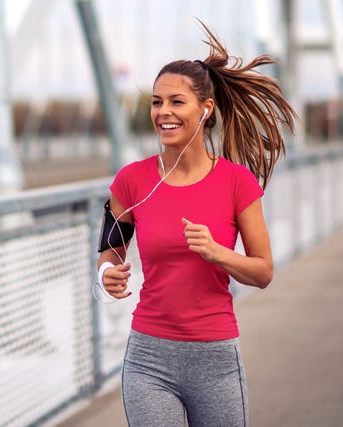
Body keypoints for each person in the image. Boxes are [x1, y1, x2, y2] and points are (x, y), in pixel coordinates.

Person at [94, 20, 297, 426]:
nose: (163, 113)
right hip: (148, 357)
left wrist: (218, 253)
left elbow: (263, 272)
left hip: (215, 358)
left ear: (205, 110)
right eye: (156, 102)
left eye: (175, 102)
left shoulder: (236, 182)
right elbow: (109, 253)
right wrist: (106, 276)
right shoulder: (131, 180)